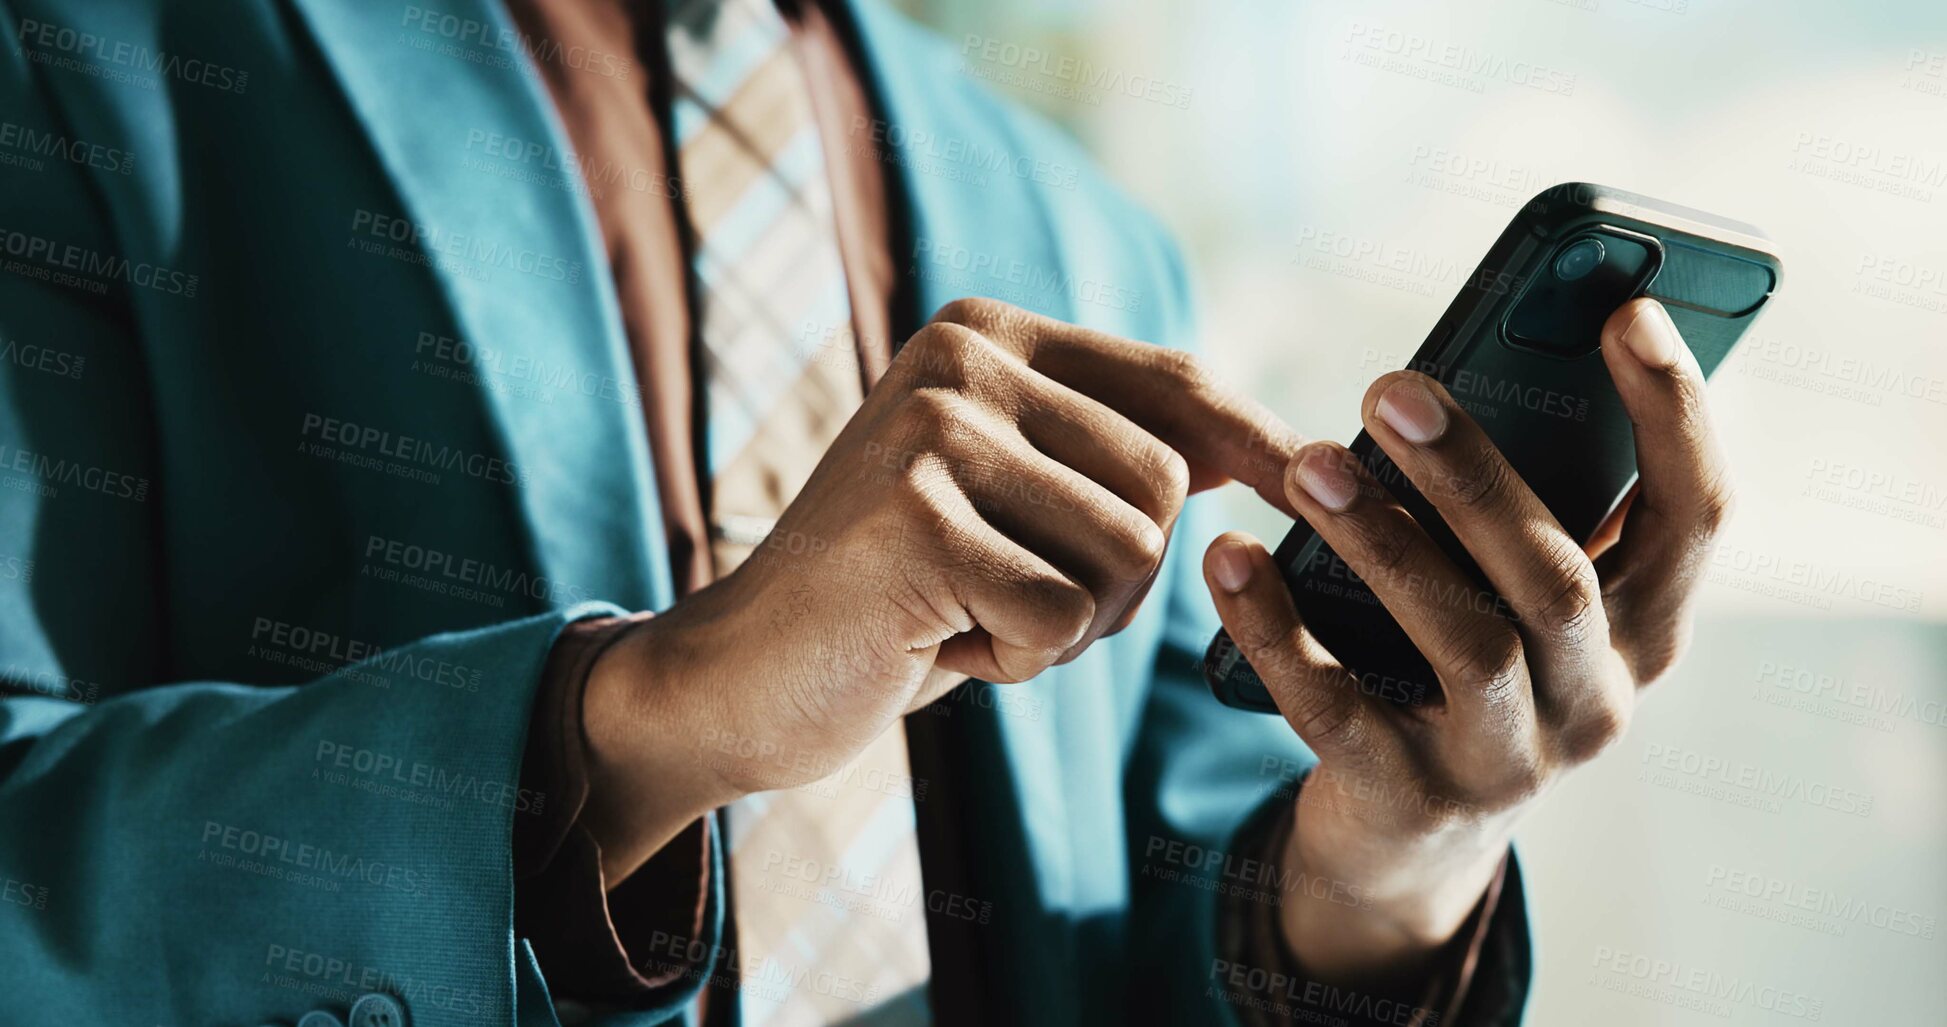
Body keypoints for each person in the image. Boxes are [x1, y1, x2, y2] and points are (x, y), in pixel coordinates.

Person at [0, 0, 1732, 1024]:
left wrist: (1402, 849)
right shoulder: (83, 66)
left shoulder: (1079, 226)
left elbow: (1161, 905)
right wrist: (650, 721)